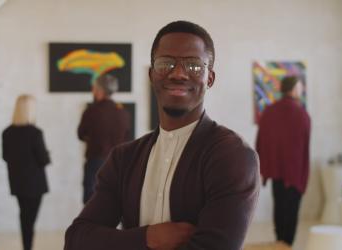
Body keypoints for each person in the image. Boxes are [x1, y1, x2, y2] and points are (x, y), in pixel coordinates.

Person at [65, 20, 260, 250]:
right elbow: (77, 239)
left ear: (209, 78)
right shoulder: (124, 158)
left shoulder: (232, 156)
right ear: (152, 74)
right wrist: (147, 237)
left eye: (194, 66)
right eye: (166, 63)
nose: (178, 73)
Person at [256, 76, 311, 248]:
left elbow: (261, 141)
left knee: (279, 207)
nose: (302, 89)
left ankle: (280, 243)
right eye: (301, 86)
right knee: (291, 211)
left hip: (276, 172)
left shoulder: (269, 111)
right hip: (294, 173)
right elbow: (305, 149)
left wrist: (264, 166)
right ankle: (287, 244)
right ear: (294, 88)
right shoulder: (302, 114)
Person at [2, 94, 51, 250]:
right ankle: (27, 246)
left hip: (17, 183)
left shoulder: (7, 132)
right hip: (35, 185)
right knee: (29, 219)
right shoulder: (35, 133)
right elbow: (43, 160)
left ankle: (27, 246)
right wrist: (48, 154)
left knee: (24, 216)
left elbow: (5, 156)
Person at [77, 73, 131, 203]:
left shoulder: (91, 111)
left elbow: (80, 134)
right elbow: (127, 138)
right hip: (118, 163)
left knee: (91, 201)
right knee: (115, 201)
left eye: (94, 88)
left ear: (99, 90)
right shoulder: (123, 113)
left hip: (95, 162)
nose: (93, 91)